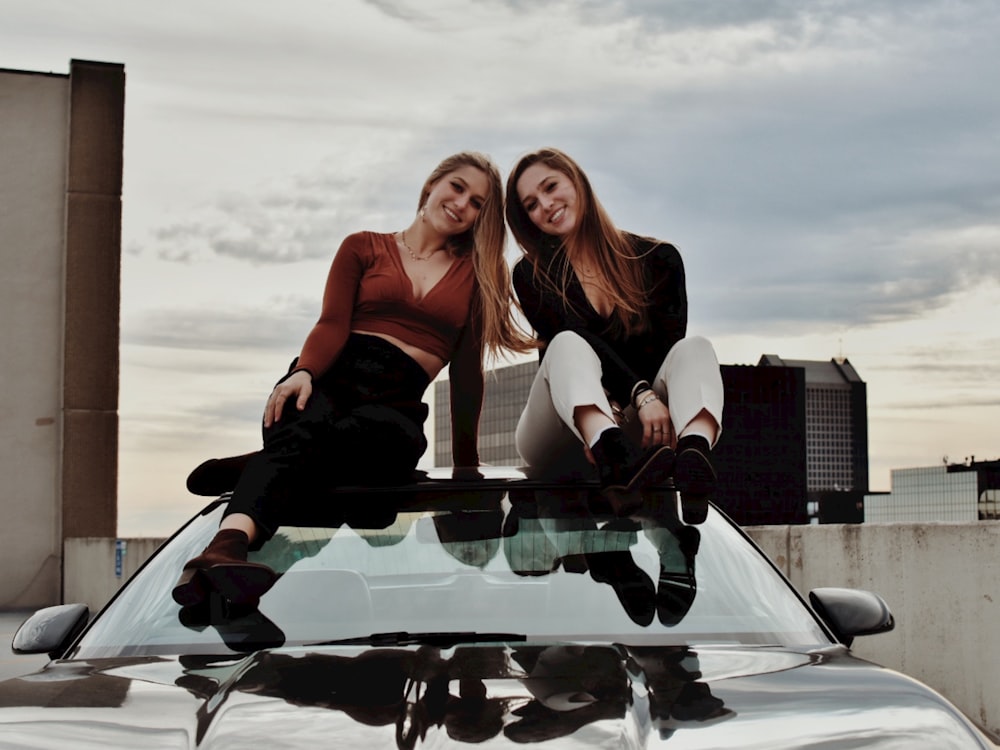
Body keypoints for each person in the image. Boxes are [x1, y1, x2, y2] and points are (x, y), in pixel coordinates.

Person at [173, 151, 533, 608]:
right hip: (332, 374)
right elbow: (331, 324)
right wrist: (304, 372)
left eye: (478, 202)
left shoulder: (479, 275)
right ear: (432, 186)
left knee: (382, 461)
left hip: (396, 400)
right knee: (306, 429)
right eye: (457, 187)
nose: (463, 203)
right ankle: (225, 549)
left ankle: (266, 464)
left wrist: (468, 466)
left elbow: (466, 378)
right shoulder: (363, 246)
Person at [505, 147, 724, 519]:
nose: (545, 204)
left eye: (550, 186)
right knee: (567, 343)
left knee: (695, 349)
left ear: (577, 182)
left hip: (640, 426)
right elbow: (578, 339)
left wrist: (645, 401)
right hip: (560, 432)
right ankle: (608, 449)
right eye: (530, 204)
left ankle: (693, 459)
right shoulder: (531, 274)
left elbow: (665, 355)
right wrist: (639, 395)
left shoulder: (659, 259)